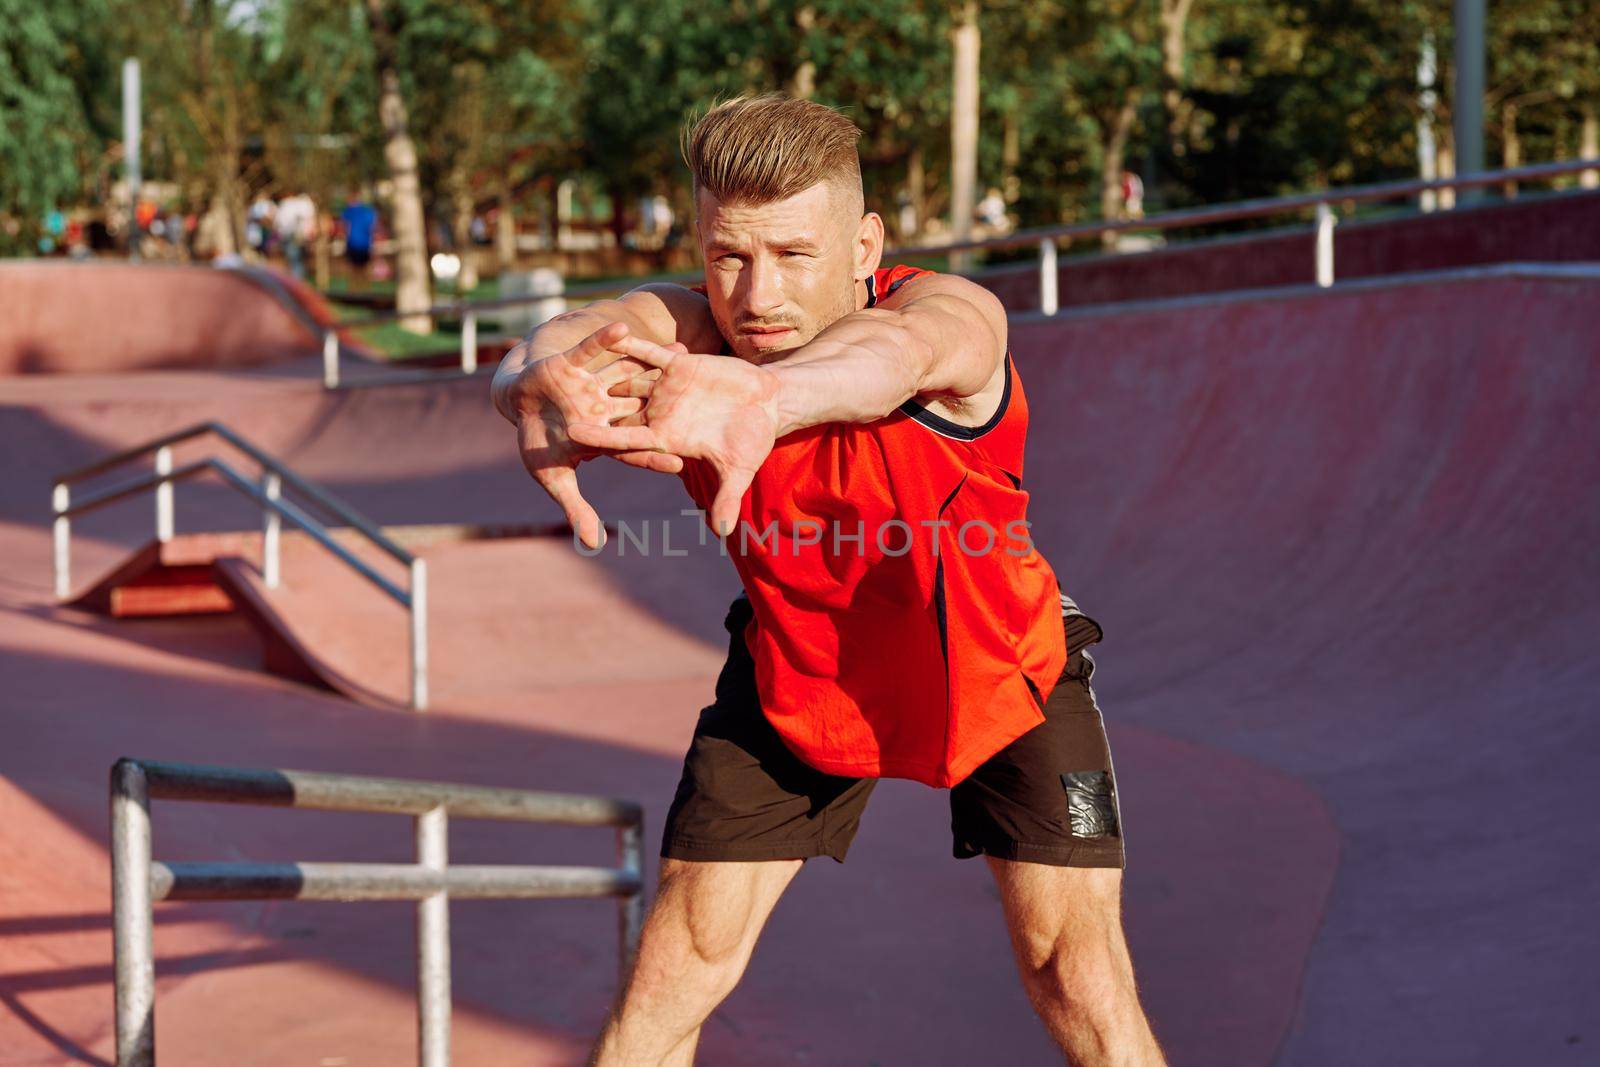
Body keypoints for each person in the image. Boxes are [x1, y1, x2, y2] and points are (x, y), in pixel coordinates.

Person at [491, 94, 1166, 1066]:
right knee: (671, 973)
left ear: (864, 246)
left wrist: (767, 398)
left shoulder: (945, 317)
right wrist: (523, 378)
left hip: (1003, 666)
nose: (757, 293)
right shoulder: (695, 334)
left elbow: (899, 354)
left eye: (795, 256)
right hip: (797, 672)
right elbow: (588, 329)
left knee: (1075, 975)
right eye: (730, 255)